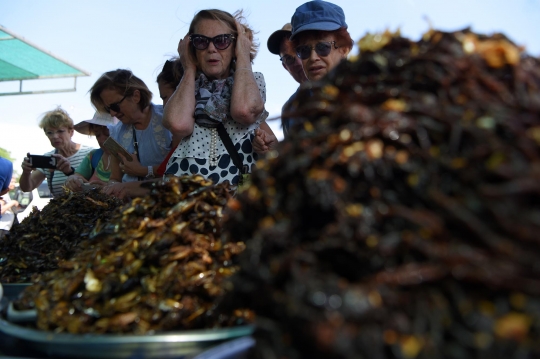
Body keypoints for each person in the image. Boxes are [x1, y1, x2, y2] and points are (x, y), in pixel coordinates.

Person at [162, 9, 277, 186]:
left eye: (222, 40)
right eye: (201, 41)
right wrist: (189, 68)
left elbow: (244, 111)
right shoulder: (188, 88)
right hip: (190, 197)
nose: (211, 48)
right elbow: (178, 124)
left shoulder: (253, 82)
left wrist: (243, 57)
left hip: (240, 200)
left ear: (236, 45)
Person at [89, 69, 172, 184]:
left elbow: (181, 170)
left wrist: (144, 171)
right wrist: (107, 187)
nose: (112, 113)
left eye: (115, 106)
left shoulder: (169, 120)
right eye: (108, 109)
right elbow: (115, 178)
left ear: (136, 96)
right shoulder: (116, 132)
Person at [19, 107, 93, 198]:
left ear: (71, 132)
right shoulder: (48, 158)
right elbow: (27, 188)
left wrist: (69, 172)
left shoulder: (89, 154)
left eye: (60, 131)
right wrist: (26, 172)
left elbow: (96, 187)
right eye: (50, 132)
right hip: (61, 210)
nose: (55, 136)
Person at [290, 0, 353, 81]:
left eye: (323, 47)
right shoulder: (302, 94)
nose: (313, 58)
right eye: (304, 50)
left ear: (344, 50)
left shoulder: (369, 89)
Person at [267, 22, 308, 139]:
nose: (299, 63)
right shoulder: (289, 110)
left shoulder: (350, 88)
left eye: (302, 51)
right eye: (289, 59)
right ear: (285, 67)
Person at [64, 112, 119, 192]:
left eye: (108, 133)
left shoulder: (129, 158)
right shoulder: (93, 156)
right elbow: (77, 176)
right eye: (97, 135)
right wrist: (73, 179)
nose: (102, 140)